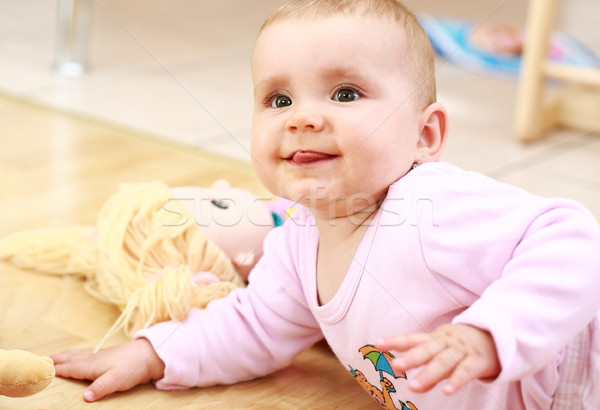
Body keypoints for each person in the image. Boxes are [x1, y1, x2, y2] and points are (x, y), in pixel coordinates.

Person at [52, 0, 600, 408]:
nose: (301, 118)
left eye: (345, 93)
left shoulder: (430, 203)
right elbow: (253, 324)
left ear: (424, 136)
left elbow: (572, 237)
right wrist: (154, 353)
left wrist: (488, 333)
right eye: (278, 99)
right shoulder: (297, 238)